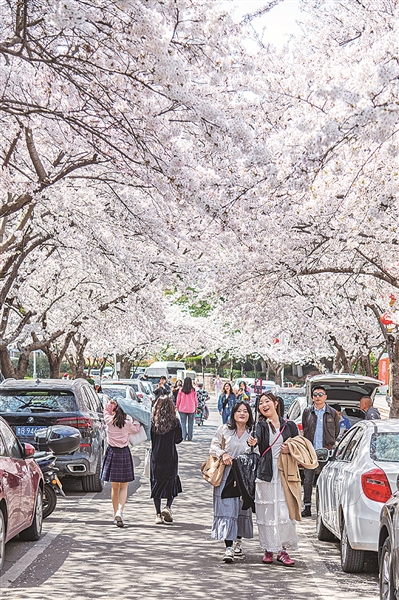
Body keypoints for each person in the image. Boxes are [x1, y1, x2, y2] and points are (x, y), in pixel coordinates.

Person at [248, 392, 300, 566]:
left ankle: (283, 550)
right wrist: (253, 442)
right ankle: (268, 549)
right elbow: (256, 443)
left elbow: (298, 445)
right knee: (268, 512)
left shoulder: (290, 425)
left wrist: (289, 448)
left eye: (267, 401)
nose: (264, 405)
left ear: (276, 403)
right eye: (261, 402)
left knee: (284, 512)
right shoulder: (260, 426)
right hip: (266, 473)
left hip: (285, 473)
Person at [210, 401, 255, 563]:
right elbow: (213, 447)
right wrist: (223, 454)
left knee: (241, 510)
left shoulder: (253, 432)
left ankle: (238, 541)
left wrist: (254, 447)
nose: (242, 413)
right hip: (226, 474)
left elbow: (259, 453)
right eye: (239, 411)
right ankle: (228, 547)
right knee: (227, 509)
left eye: (245, 411)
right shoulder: (224, 430)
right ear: (234, 413)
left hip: (244, 475)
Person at [101, 398, 141, 527]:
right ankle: (120, 511)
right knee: (124, 486)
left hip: (112, 453)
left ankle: (114, 514)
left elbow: (105, 411)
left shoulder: (109, 421)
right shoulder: (127, 423)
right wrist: (135, 417)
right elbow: (137, 429)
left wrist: (112, 404)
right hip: (124, 453)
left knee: (114, 486)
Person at [301, 386, 340, 517]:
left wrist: (330, 443)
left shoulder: (332, 413)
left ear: (325, 397)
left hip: (325, 451)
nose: (317, 397)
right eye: (315, 394)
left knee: (325, 480)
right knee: (307, 480)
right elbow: (305, 428)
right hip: (310, 451)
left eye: (320, 394)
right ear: (312, 397)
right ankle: (307, 507)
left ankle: (324, 508)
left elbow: (337, 431)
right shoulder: (307, 411)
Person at [150, 394, 183, 524]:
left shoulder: (153, 421)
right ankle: (168, 507)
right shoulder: (175, 422)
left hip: (156, 456)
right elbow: (178, 439)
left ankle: (158, 514)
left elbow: (151, 438)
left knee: (156, 483)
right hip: (170, 456)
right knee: (171, 482)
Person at [176, 377, 198, 441]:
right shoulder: (193, 390)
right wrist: (196, 407)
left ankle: (183, 436)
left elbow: (178, 399)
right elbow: (196, 400)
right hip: (191, 409)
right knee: (190, 424)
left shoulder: (181, 390)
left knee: (183, 423)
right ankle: (190, 437)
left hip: (182, 409)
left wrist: (177, 406)